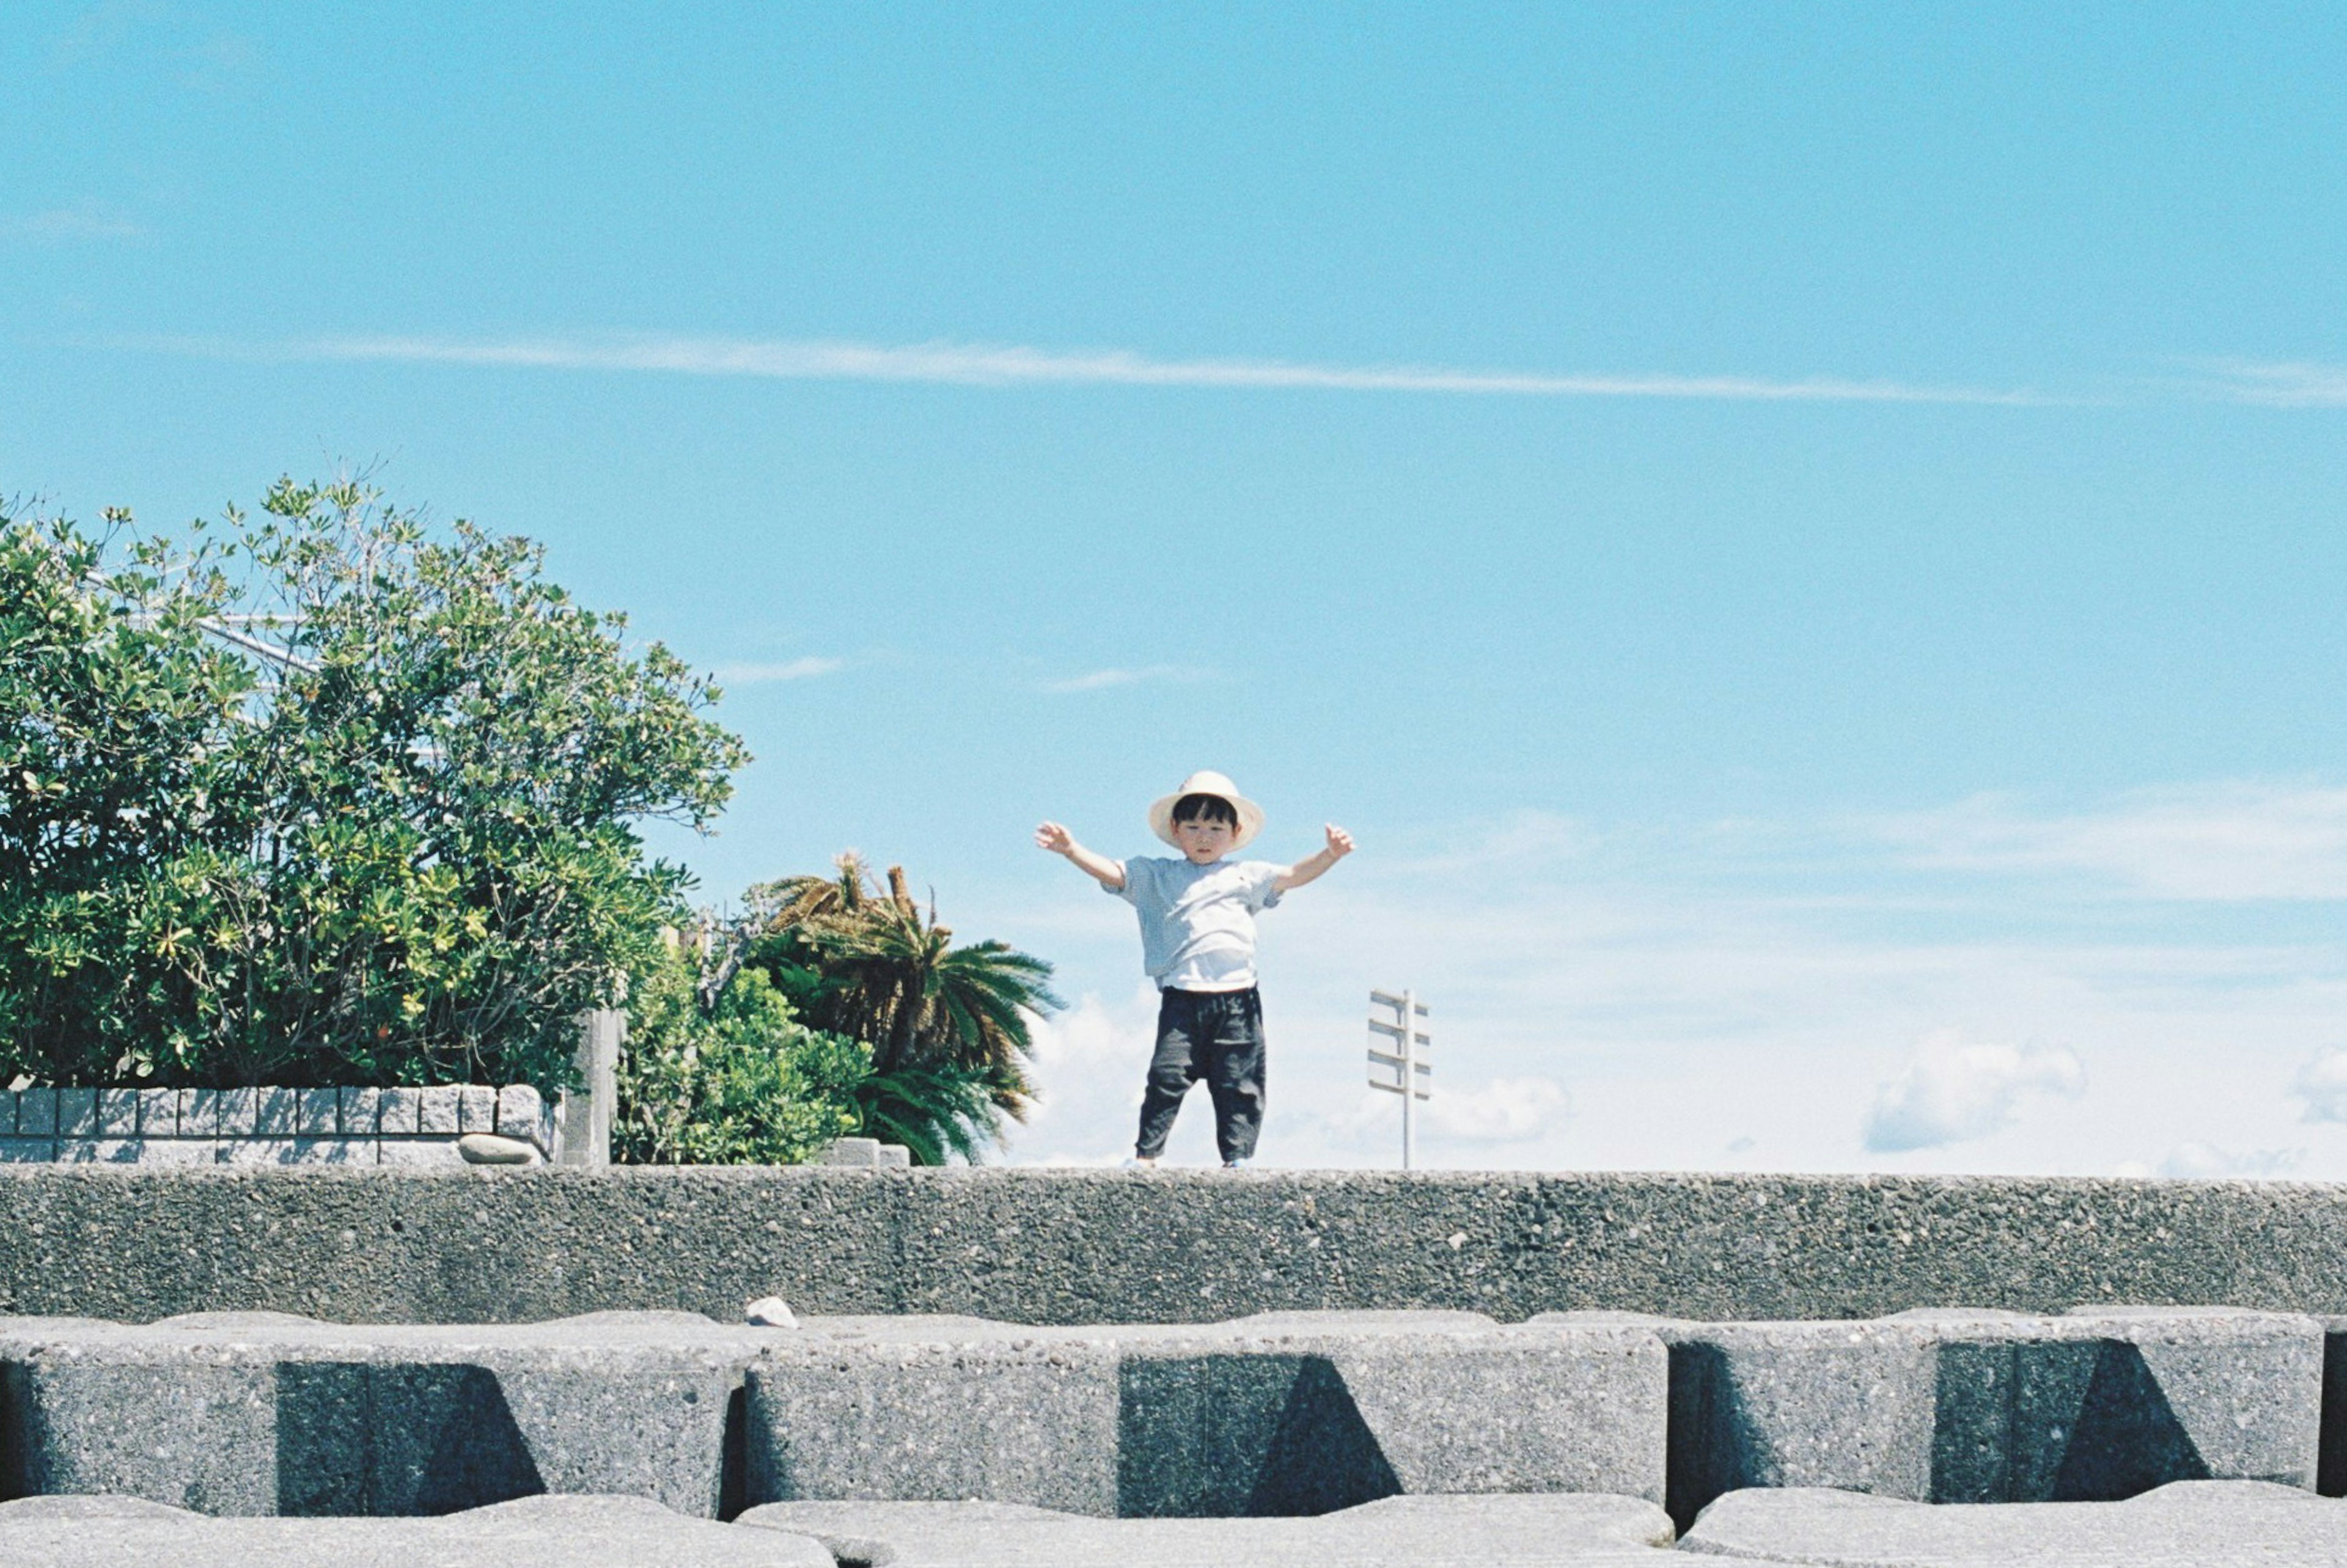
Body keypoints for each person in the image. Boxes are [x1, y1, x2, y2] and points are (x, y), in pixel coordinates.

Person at [1035, 771, 1354, 1168]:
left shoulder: (1244, 875)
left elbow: (1292, 876)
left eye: (1216, 828)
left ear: (1234, 833)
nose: (1205, 837)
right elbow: (1114, 873)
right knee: (1166, 1077)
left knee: (1240, 1082)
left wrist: (1329, 856)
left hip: (1238, 999)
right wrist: (1072, 850)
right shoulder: (1158, 876)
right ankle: (1147, 1155)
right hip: (1183, 998)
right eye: (1194, 826)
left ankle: (1238, 1158)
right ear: (1176, 829)